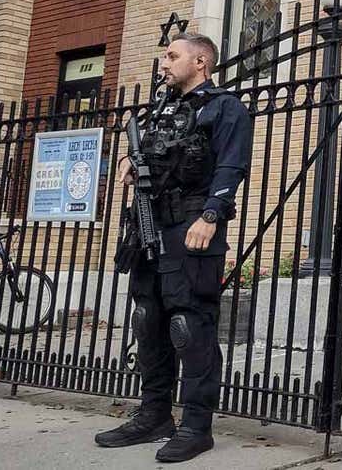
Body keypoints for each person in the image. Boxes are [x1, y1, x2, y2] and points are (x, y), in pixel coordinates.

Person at [95, 33, 251, 463]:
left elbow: (232, 164)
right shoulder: (161, 111)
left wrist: (211, 215)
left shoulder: (225, 107)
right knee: (148, 319)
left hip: (193, 223)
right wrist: (128, 164)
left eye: (172, 56)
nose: (164, 63)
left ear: (201, 61)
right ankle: (154, 416)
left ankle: (197, 426)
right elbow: (144, 159)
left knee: (190, 324)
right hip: (149, 224)